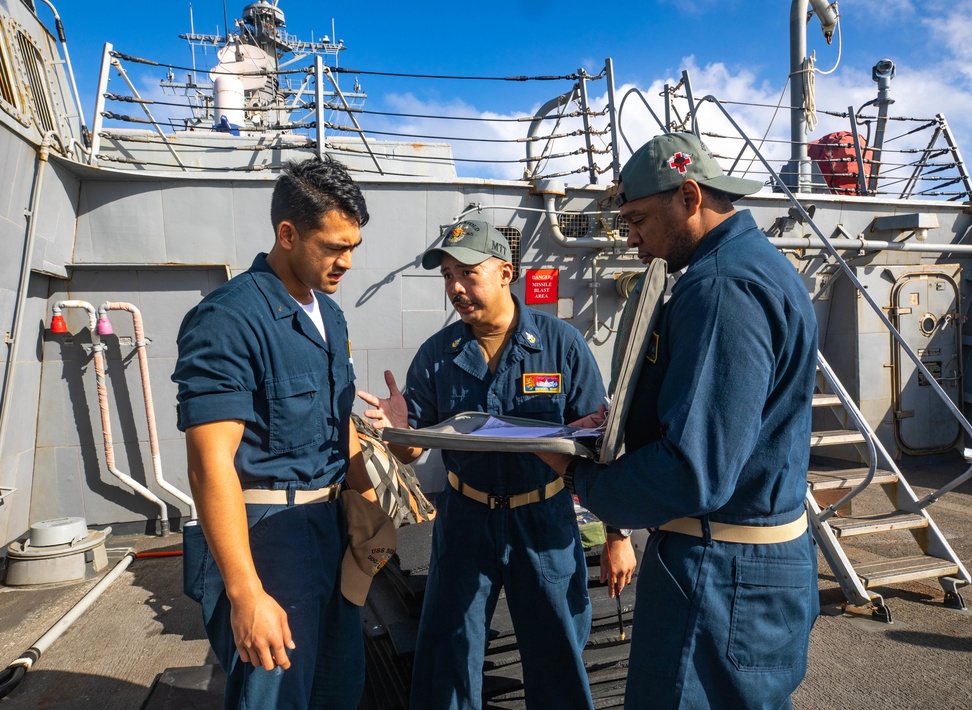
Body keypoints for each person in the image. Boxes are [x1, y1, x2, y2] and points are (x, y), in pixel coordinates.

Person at [537, 132, 820, 709]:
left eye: (637, 218)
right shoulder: (756, 266)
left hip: (720, 572)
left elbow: (695, 471)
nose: (630, 236)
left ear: (689, 196)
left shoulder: (720, 288)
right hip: (750, 563)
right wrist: (622, 419)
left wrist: (578, 478)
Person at [358, 219, 636, 710]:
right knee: (449, 651)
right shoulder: (437, 356)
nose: (456, 288)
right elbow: (413, 451)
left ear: (506, 272)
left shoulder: (560, 344)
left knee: (557, 650)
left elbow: (600, 445)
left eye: (467, 273)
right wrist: (398, 431)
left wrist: (618, 536)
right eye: (447, 276)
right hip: (466, 522)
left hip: (545, 520)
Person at [172, 156, 377, 709]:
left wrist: (374, 504)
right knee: (275, 698)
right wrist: (245, 592)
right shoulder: (229, 319)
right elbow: (209, 464)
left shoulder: (329, 316)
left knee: (339, 688)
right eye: (335, 246)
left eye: (353, 246)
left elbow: (340, 425)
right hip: (268, 540)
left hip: (329, 531)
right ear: (287, 234)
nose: (348, 261)